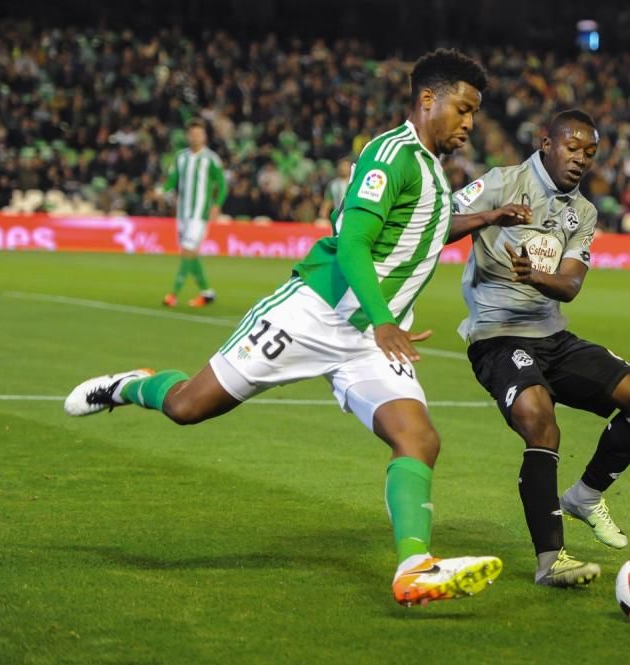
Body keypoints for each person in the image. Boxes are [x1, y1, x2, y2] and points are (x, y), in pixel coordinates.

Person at [64, 49, 527, 607]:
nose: (470, 123)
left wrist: (486, 217)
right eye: (464, 108)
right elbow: (353, 241)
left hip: (368, 340)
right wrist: (383, 320)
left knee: (418, 439)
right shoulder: (390, 154)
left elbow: (426, 229)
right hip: (312, 314)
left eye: (475, 113)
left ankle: (414, 566)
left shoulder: (430, 167)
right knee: (189, 406)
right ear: (428, 100)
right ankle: (129, 386)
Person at [449, 109, 630, 588]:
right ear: (546, 142)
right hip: (498, 336)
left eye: (590, 153)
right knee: (540, 419)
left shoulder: (582, 212)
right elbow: (437, 225)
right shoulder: (502, 182)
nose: (581, 159)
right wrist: (492, 215)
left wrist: (536, 276)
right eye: (573, 147)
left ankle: (585, 496)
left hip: (552, 336)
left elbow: (569, 286)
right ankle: (551, 561)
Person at [161, 118, 228, 308]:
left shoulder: (211, 159)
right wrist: (162, 191)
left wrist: (217, 205)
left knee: (188, 251)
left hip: (200, 214)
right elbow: (172, 180)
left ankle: (173, 294)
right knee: (189, 253)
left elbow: (222, 185)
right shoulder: (180, 157)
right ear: (188, 136)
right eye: (192, 134)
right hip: (182, 214)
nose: (195, 137)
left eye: (199, 134)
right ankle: (206, 292)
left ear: (204, 136)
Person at [317, 157, 352, 223]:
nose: (343, 168)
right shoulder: (333, 184)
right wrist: (323, 214)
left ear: (351, 168)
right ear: (338, 168)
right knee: (320, 222)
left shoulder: (355, 183)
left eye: (346, 166)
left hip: (352, 215)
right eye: (341, 166)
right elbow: (327, 202)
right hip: (338, 217)